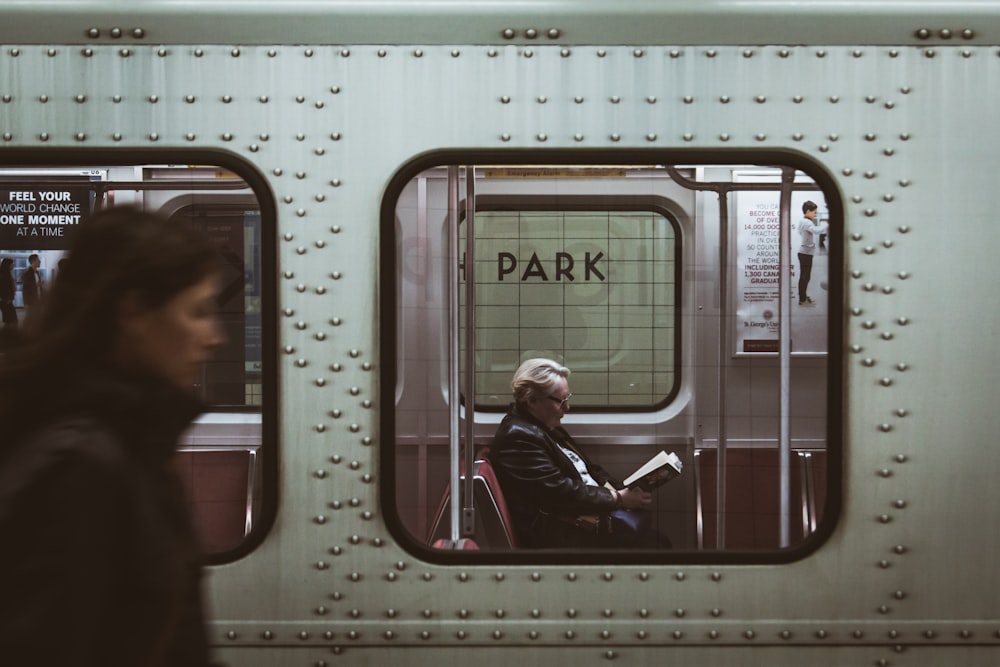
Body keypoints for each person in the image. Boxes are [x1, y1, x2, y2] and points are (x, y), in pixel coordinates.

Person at [0, 206, 225, 666]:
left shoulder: (130, 438)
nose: (214, 336)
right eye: (197, 311)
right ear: (134, 310)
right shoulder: (79, 461)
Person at [489, 358, 657, 548]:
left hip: (576, 517)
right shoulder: (518, 438)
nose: (567, 408)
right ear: (533, 400)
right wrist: (617, 499)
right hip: (557, 533)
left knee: (654, 538)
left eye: (567, 400)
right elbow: (559, 493)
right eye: (561, 402)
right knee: (654, 545)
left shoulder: (548, 429)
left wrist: (624, 489)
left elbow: (591, 470)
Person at [796, 200, 829, 307]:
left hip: (805, 252)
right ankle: (802, 299)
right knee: (805, 277)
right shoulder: (807, 222)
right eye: (814, 212)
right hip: (806, 253)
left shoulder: (803, 221)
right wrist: (827, 225)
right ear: (808, 211)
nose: (815, 214)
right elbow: (816, 231)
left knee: (805, 277)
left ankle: (803, 297)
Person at [0, 257, 16, 343]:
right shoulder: (3, 276)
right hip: (6, 300)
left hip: (7, 300)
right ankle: (6, 338)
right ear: (7, 265)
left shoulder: (7, 274)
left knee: (9, 320)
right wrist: (7, 298)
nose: (13, 265)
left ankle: (7, 338)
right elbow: (3, 289)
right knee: (10, 320)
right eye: (12, 264)